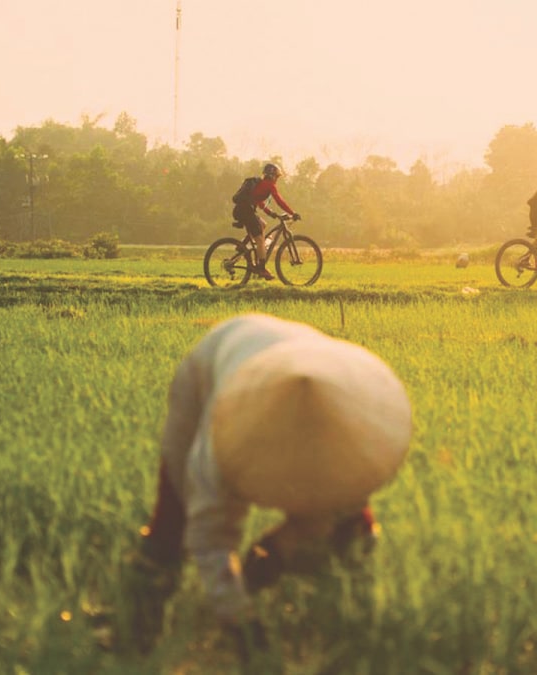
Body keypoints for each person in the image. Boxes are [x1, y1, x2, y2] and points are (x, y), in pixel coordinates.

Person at [116, 313, 412, 663]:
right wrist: (241, 623)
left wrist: (279, 547)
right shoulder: (221, 443)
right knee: (176, 509)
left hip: (311, 367)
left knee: (349, 523)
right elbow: (210, 539)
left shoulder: (350, 424)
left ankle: (340, 615)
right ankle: (140, 619)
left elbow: (333, 499)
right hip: (216, 359)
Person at [233, 163, 302, 281]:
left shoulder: (260, 184)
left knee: (262, 225)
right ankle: (261, 268)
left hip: (242, 210)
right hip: (245, 210)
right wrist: (292, 213)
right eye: (276, 177)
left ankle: (242, 247)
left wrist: (271, 213)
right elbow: (279, 201)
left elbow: (259, 203)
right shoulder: (269, 185)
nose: (276, 180)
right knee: (260, 239)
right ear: (272, 176)